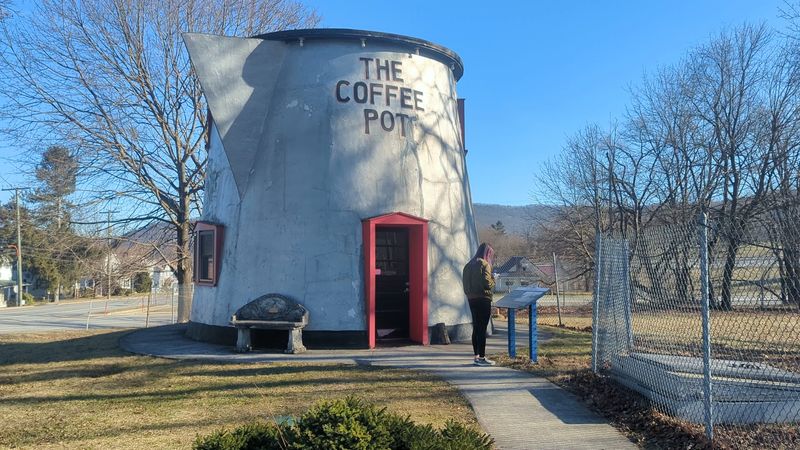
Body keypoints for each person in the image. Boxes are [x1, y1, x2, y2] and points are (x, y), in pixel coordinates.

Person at [462, 243, 496, 366]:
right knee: (482, 328)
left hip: (471, 299)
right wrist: (494, 279)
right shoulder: (484, 264)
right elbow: (487, 284)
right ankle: (482, 357)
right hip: (483, 298)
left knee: (476, 327)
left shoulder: (468, 265)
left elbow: (465, 284)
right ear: (488, 254)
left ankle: (476, 356)